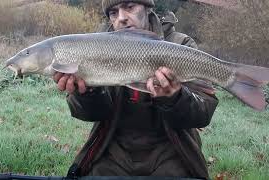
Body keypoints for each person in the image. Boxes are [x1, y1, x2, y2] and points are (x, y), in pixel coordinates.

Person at [53, 0, 218, 179]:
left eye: (130, 7)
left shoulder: (180, 44)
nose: (122, 18)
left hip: (172, 150)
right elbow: (92, 114)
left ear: (147, 8)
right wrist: (85, 92)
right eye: (114, 13)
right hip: (113, 149)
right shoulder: (94, 48)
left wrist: (175, 98)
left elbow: (204, 113)